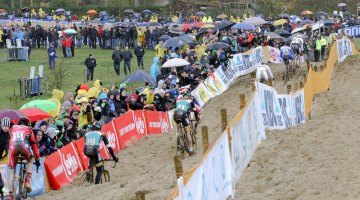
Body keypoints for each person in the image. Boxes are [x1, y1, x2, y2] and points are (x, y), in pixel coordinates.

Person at [8, 118, 41, 200]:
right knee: (31, 159)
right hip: (24, 148)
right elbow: (34, 147)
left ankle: (10, 197)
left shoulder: (12, 128)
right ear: (27, 124)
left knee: (11, 173)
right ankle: (27, 182)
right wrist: (37, 159)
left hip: (13, 149)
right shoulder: (28, 129)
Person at [173, 91, 199, 155]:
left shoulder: (178, 101)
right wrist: (197, 118)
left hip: (175, 116)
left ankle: (178, 135)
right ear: (189, 97)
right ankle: (190, 149)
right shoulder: (190, 101)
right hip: (184, 116)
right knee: (188, 133)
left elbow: (175, 108)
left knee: (178, 129)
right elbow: (195, 111)